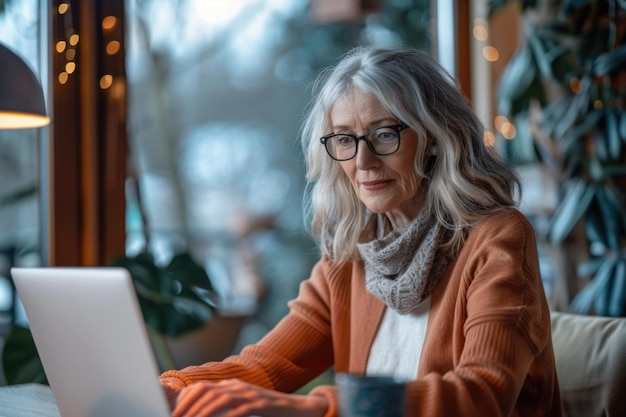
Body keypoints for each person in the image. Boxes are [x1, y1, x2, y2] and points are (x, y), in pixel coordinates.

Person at [159, 45, 562, 417]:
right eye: (345, 139)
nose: (362, 160)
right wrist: (166, 388)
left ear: (436, 137)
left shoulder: (498, 238)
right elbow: (267, 365)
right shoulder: (350, 254)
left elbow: (482, 395)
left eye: (385, 134)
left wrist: (310, 409)